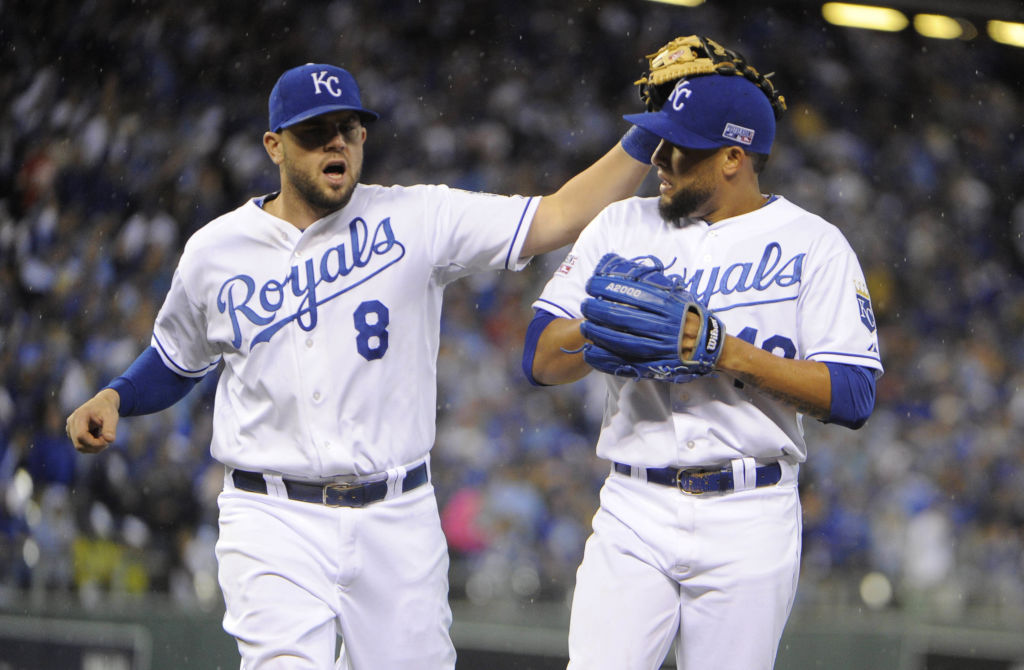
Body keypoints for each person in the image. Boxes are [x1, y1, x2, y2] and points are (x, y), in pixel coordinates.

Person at [65, 62, 654, 669]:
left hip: (396, 517)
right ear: (274, 146)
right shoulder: (216, 250)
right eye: (314, 131)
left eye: (347, 128)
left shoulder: (416, 218)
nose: (335, 143)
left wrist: (648, 133)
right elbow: (174, 359)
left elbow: (556, 217)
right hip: (273, 515)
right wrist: (116, 396)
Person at [522, 49, 883, 669]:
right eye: (659, 143)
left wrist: (721, 351)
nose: (658, 161)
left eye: (678, 148)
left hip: (750, 512)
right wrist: (603, 327)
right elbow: (539, 357)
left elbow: (853, 395)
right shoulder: (621, 224)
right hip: (634, 507)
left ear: (733, 159)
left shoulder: (814, 243)